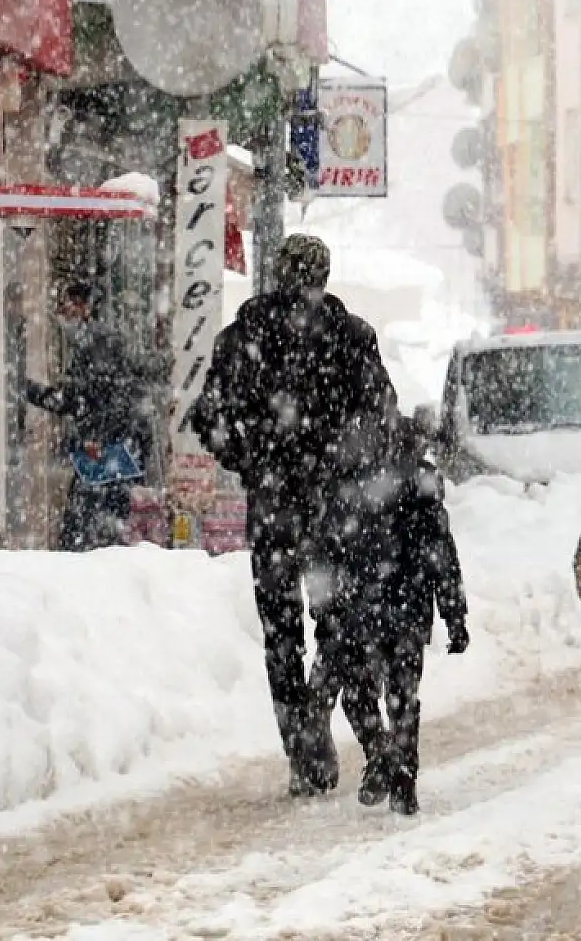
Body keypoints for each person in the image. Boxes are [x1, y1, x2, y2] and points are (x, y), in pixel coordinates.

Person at [188, 234, 397, 797]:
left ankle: (301, 748)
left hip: (273, 507)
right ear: (326, 274)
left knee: (280, 631)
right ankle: (317, 709)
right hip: (335, 510)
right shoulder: (353, 338)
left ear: (280, 272)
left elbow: (206, 416)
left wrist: (250, 459)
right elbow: (383, 418)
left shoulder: (242, 337)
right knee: (336, 622)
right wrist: (349, 464)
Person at [311, 414, 470, 816]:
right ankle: (403, 777)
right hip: (408, 611)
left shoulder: (348, 486)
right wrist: (454, 614)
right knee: (403, 697)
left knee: (359, 695)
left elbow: (326, 551)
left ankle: (382, 753)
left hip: (359, 611)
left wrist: (324, 607)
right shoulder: (422, 485)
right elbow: (442, 554)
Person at [24, 282, 146, 552]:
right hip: (112, 451)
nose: (60, 312)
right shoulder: (101, 339)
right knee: (101, 530)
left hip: (104, 454)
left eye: (65, 304)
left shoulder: (95, 343)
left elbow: (82, 399)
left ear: (83, 307)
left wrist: (29, 391)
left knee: (84, 533)